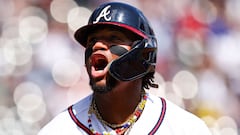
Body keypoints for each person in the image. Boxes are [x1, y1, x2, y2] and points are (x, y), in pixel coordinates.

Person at [38, 2, 212, 135]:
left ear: (143, 55)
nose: (97, 45)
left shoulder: (184, 128)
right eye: (92, 41)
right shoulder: (59, 130)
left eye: (113, 39)